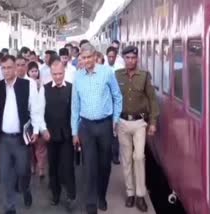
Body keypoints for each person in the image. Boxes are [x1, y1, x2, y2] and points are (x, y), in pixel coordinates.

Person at [71, 43, 122, 214]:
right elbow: (75, 106)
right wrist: (74, 131)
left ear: (94, 56)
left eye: (88, 57)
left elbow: (117, 96)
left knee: (104, 165)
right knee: (89, 165)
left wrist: (115, 120)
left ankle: (101, 195)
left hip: (105, 125)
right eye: (83, 58)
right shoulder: (78, 77)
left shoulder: (107, 73)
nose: (86, 61)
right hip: (86, 126)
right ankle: (91, 201)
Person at [0, 55, 41, 214]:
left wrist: (35, 131)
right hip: (3, 139)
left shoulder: (28, 85)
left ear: (16, 68)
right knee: (6, 174)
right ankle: (10, 206)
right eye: (3, 68)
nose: (6, 71)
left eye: (9, 67)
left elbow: (35, 109)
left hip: (21, 138)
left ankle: (26, 188)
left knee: (23, 170)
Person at [115, 46, 159, 212]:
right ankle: (130, 193)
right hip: (122, 122)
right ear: (124, 59)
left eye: (133, 58)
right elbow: (113, 97)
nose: (131, 61)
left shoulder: (144, 76)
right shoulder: (117, 75)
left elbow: (153, 100)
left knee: (139, 157)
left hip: (140, 122)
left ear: (137, 59)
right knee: (126, 158)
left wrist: (153, 121)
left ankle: (141, 195)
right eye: (128, 58)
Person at [44, 57, 76, 211]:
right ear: (51, 74)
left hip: (66, 135)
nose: (57, 77)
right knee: (53, 167)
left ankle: (71, 195)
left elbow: (75, 112)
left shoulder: (71, 88)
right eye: (55, 74)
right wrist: (43, 130)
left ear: (64, 72)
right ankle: (55, 195)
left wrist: (75, 133)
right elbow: (40, 112)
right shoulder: (44, 89)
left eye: (60, 73)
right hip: (50, 135)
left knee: (68, 166)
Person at [27, 61, 49, 179]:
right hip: (30, 119)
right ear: (28, 72)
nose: (34, 73)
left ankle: (41, 168)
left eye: (36, 71)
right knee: (31, 146)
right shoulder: (26, 84)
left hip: (41, 117)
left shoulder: (42, 84)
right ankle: (33, 165)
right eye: (32, 71)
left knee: (41, 146)